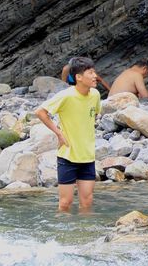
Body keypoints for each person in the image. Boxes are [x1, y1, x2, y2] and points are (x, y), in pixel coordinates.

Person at [35, 57, 102, 212]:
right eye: (90, 73)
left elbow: (95, 114)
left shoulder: (96, 95)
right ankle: (63, 235)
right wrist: (58, 133)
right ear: (78, 77)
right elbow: (40, 112)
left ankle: (85, 233)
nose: (95, 76)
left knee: (87, 201)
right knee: (65, 203)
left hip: (87, 155)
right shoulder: (66, 95)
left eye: (94, 72)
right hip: (68, 156)